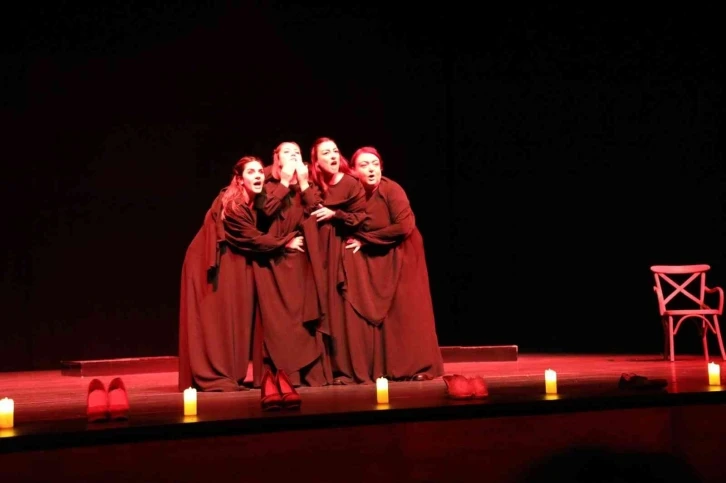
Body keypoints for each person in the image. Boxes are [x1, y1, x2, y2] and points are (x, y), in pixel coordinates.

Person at [347, 146, 444, 381]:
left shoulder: (391, 189)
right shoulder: (354, 194)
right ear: (354, 171)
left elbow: (403, 226)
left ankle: (420, 367)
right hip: (380, 255)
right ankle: (387, 368)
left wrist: (366, 239)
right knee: (387, 314)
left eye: (375, 164)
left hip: (405, 251)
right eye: (364, 165)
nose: (371, 169)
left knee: (408, 309)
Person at [178, 156, 270, 392]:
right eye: (251, 172)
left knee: (232, 313)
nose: (258, 176)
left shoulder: (252, 200)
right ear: (239, 179)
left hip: (229, 260)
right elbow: (254, 240)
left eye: (260, 172)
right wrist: (286, 242)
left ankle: (230, 370)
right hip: (205, 262)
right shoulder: (234, 204)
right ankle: (216, 372)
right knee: (216, 315)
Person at [252, 141, 328, 387]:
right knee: (280, 320)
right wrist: (284, 182)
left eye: (297, 152)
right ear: (276, 158)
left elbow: (317, 211)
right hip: (275, 261)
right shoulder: (266, 185)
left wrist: (303, 183)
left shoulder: (307, 187)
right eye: (287, 152)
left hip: (303, 262)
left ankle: (310, 373)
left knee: (303, 317)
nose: (294, 155)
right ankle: (286, 374)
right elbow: (265, 213)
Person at [306, 137, 378, 384]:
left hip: (338, 251)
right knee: (317, 305)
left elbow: (360, 217)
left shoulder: (350, 184)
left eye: (335, 151)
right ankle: (320, 370)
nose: (333, 156)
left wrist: (334, 214)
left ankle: (344, 367)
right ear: (316, 161)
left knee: (337, 310)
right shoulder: (311, 183)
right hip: (315, 253)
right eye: (326, 153)